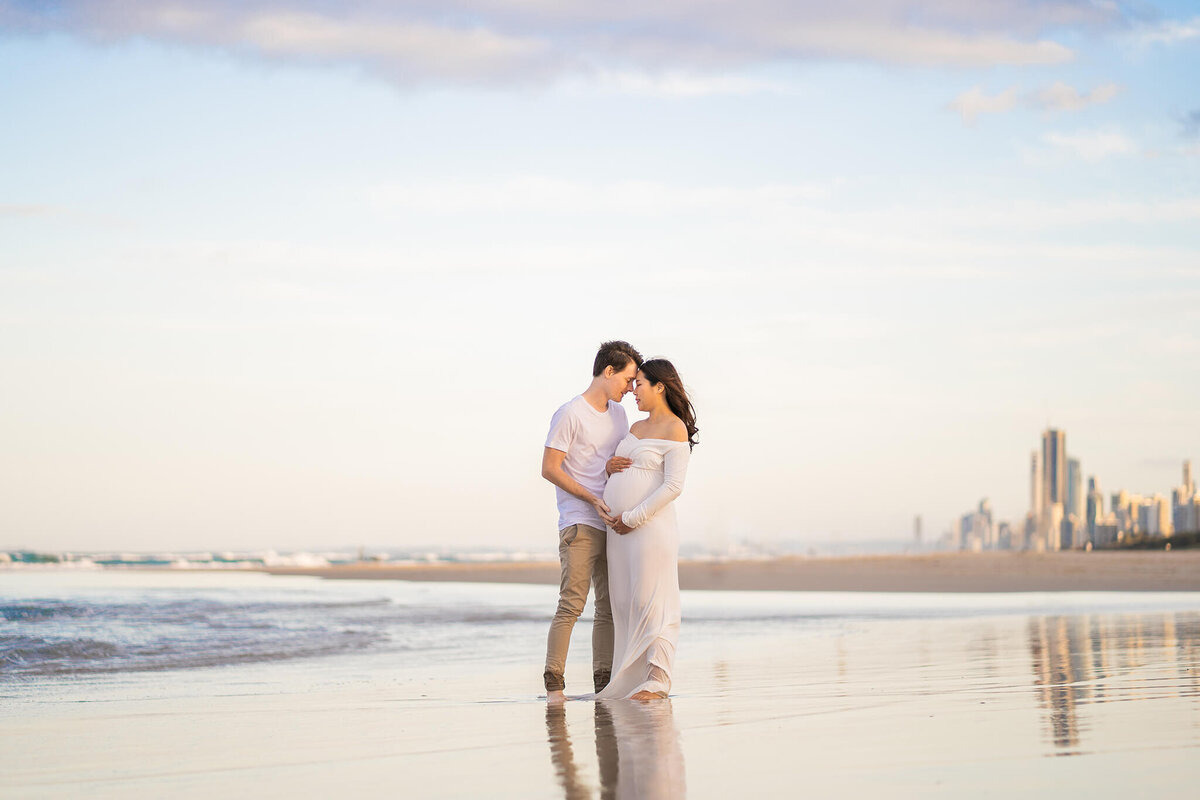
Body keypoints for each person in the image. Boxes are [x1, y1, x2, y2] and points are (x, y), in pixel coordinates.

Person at [542, 340, 643, 701]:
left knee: (608, 607)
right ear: (608, 371)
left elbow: (605, 461)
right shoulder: (570, 412)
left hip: (611, 523)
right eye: (628, 380)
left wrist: (611, 468)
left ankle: (604, 684)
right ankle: (554, 686)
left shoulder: (618, 415)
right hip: (580, 522)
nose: (631, 389)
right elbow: (549, 469)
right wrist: (592, 498)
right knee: (572, 604)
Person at [595, 358, 698, 701]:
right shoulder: (635, 429)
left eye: (639, 383)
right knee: (624, 601)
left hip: (649, 529)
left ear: (660, 387)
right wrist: (609, 468)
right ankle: (630, 679)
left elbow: (672, 487)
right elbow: (621, 470)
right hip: (618, 532)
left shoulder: (675, 429)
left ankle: (657, 679)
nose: (633, 390)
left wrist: (633, 517)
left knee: (652, 599)